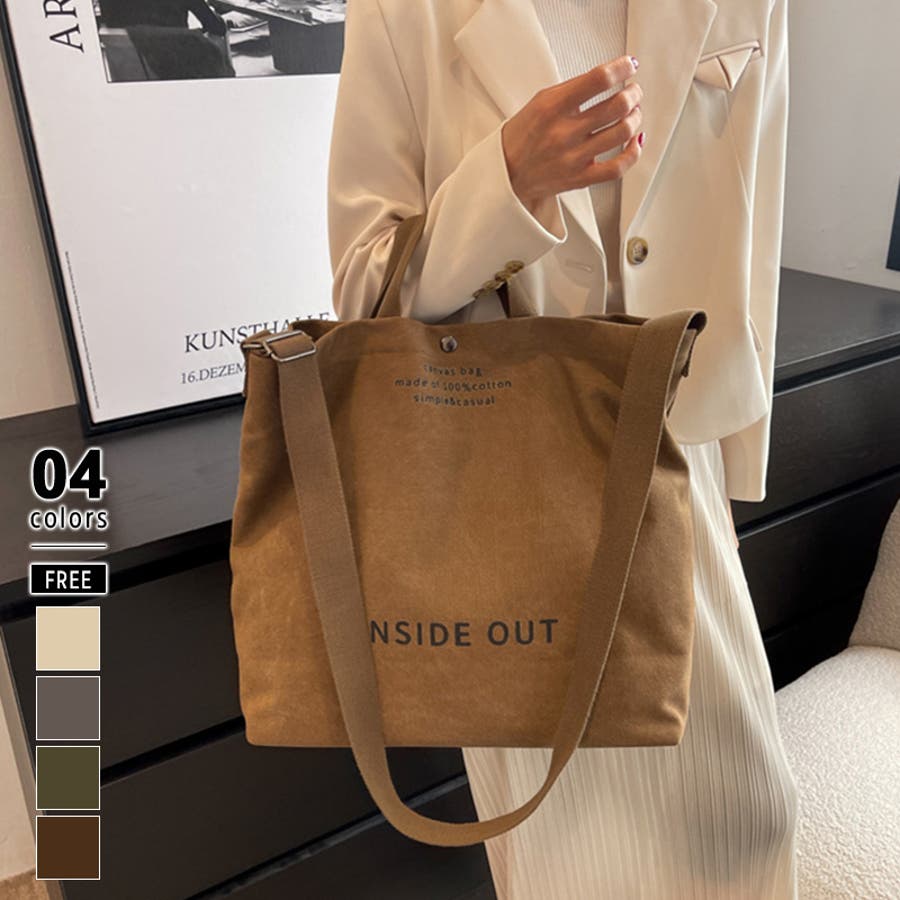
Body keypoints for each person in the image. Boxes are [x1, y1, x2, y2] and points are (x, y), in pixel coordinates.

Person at [327, 0, 799, 896]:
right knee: (568, 862)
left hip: (678, 468)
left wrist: (737, 467)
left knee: (750, 821)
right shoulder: (401, 10)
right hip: (503, 499)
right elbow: (364, 296)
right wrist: (507, 180)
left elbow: (755, 232)